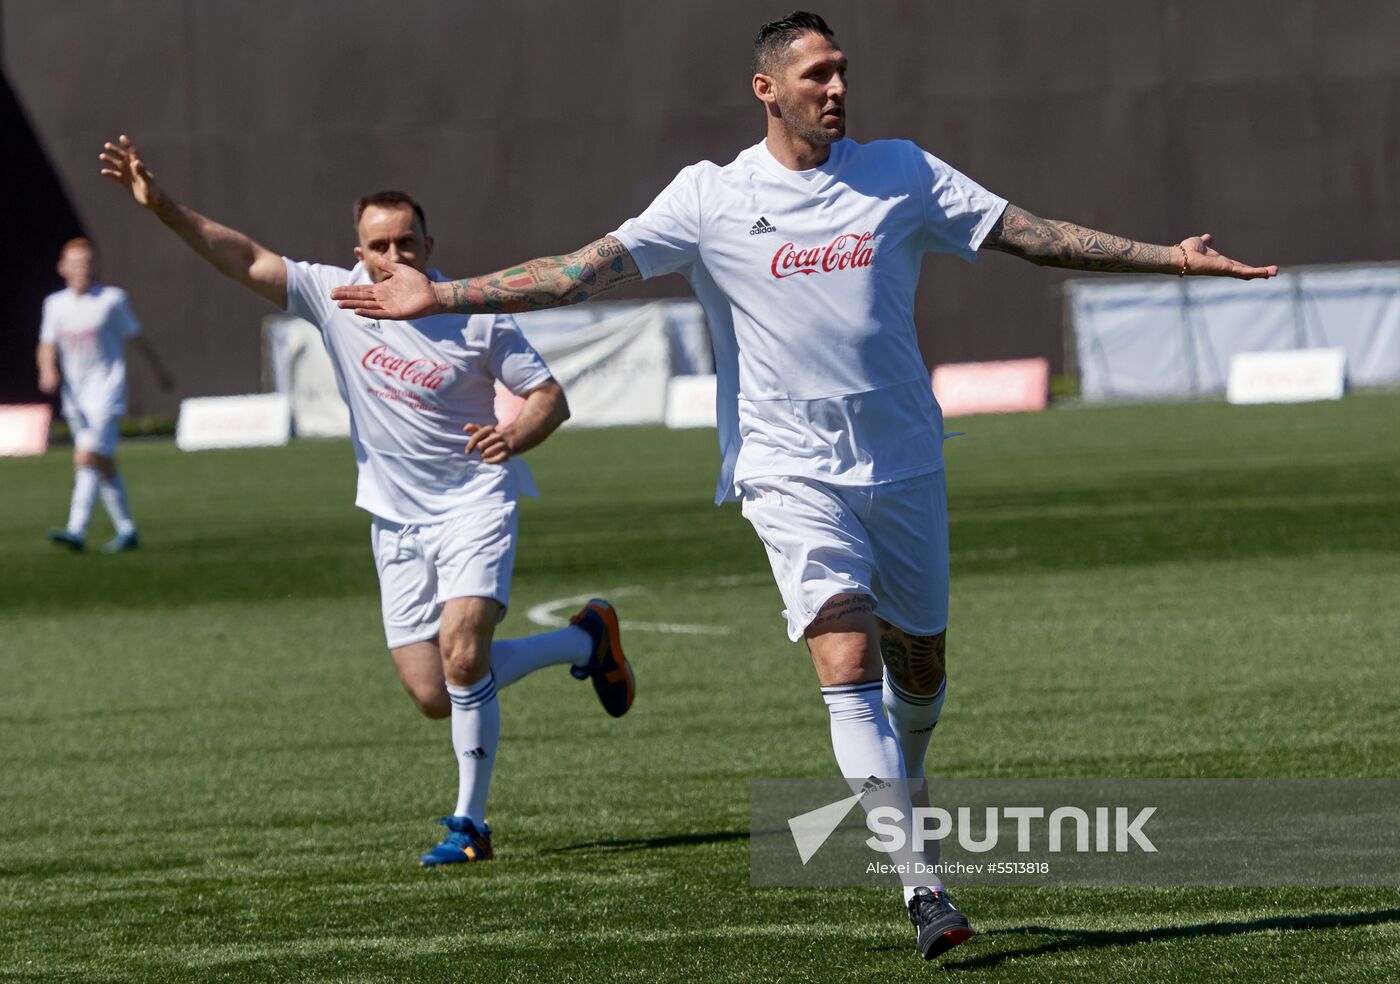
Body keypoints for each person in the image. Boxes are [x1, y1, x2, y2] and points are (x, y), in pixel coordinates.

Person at [330, 10, 1277, 956]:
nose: (837, 88)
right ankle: (922, 887)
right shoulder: (709, 195)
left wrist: (1171, 258)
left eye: (842, 71)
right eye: (817, 74)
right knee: (846, 657)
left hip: (904, 463)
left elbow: (1029, 234)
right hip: (785, 470)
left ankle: (910, 783)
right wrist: (444, 293)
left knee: (920, 671)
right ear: (767, 89)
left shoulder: (902, 171)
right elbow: (583, 271)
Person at [98, 134, 635, 867]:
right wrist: (162, 206)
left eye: (405, 242)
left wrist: (513, 436)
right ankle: (584, 641)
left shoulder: (473, 312)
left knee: (462, 651)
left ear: (428, 246)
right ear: (359, 252)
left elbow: (549, 397)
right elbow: (245, 257)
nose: (392, 256)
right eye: (378, 245)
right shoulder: (336, 297)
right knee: (434, 692)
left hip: (475, 503)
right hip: (394, 519)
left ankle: (470, 826)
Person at [38, 237, 173, 553]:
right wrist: (47, 370)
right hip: (75, 396)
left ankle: (76, 529)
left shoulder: (112, 300)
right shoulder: (55, 304)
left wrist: (159, 371)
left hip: (106, 390)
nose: (82, 269)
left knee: (86, 456)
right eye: (75, 263)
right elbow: (46, 344)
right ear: (62, 268)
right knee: (103, 462)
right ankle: (127, 530)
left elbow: (137, 338)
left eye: (87, 262)